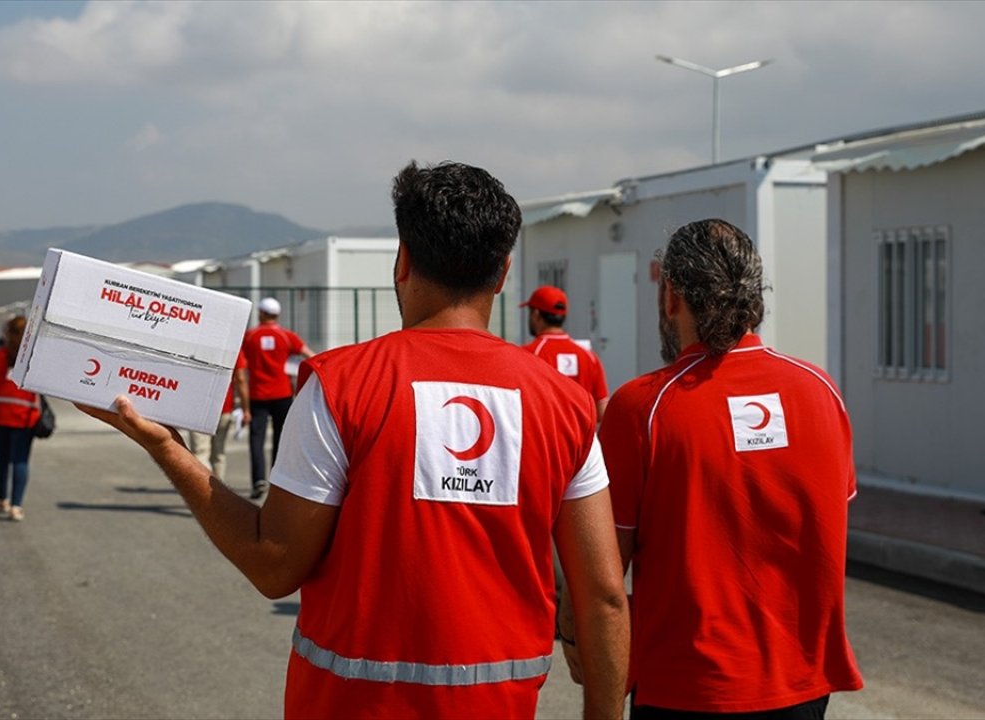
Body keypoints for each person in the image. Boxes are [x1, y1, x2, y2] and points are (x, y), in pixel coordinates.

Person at [78, 160, 629, 719]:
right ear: (504, 270)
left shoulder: (341, 386)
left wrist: (167, 448)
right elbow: (605, 598)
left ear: (404, 259)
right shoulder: (567, 404)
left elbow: (274, 565)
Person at [595, 218, 863, 718]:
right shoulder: (821, 392)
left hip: (686, 687)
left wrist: (576, 639)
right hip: (803, 688)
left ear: (671, 295)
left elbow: (604, 575)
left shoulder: (642, 407)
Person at [241, 296, 315, 500]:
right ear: (277, 315)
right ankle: (277, 481)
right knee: (281, 439)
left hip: (257, 394)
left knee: (256, 438)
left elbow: (240, 366)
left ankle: (258, 480)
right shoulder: (286, 336)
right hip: (282, 394)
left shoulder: (249, 336)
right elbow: (310, 355)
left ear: (261, 314)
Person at [0, 315, 40, 522]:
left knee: (1, 459)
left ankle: (2, 499)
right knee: (20, 460)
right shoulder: (34, 356)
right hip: (25, 417)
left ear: (7, 333)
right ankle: (16, 507)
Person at [521, 285, 610, 420]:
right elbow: (602, 409)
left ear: (536, 315)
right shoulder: (589, 356)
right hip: (581, 439)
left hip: (545, 439)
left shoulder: (528, 355)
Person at [187, 350, 250, 482]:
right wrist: (245, 409)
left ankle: (203, 487)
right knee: (219, 453)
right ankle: (218, 490)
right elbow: (241, 379)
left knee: (200, 453)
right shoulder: (234, 349)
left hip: (198, 406)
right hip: (223, 406)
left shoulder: (197, 346)